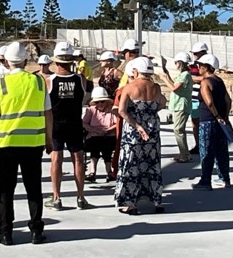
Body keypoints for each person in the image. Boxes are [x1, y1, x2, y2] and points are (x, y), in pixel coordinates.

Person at [0, 42, 52, 245]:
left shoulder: (1, 84)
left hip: (7, 144)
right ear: (25, 60)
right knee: (34, 188)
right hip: (33, 144)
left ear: (6, 62)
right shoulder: (39, 82)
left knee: (6, 189)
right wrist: (49, 140)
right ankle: (36, 231)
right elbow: (48, 114)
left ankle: (6, 232)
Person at [115, 57, 166, 214]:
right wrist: (149, 113)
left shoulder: (129, 88)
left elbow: (121, 111)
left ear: (136, 71)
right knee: (152, 164)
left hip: (133, 132)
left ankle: (129, 203)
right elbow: (163, 103)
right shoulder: (156, 87)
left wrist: (137, 124)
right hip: (152, 130)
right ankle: (156, 200)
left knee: (130, 166)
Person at [47, 41, 93, 210]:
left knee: (56, 159)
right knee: (78, 159)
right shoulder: (81, 79)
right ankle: (81, 197)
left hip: (56, 124)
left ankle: (56, 197)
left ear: (56, 61)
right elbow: (87, 97)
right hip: (74, 123)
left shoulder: (49, 81)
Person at [194, 53, 232, 189]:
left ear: (206, 67)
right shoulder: (219, 81)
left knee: (206, 152)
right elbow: (228, 100)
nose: (198, 67)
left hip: (208, 121)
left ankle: (205, 181)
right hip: (220, 122)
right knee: (221, 151)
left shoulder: (205, 82)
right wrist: (224, 117)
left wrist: (217, 116)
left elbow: (209, 102)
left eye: (200, 65)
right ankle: (224, 178)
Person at [160, 51, 194, 162]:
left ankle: (185, 155)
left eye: (176, 62)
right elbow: (175, 84)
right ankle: (183, 152)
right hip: (178, 105)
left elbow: (175, 88)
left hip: (181, 106)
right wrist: (167, 74)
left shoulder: (185, 75)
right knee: (179, 130)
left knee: (178, 130)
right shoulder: (184, 75)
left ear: (180, 63)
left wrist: (164, 79)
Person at [83, 85, 119, 182]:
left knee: (106, 146)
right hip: (94, 136)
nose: (100, 104)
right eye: (97, 102)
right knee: (95, 145)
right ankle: (92, 172)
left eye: (102, 101)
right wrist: (94, 130)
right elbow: (83, 123)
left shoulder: (111, 110)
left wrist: (108, 130)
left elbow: (117, 123)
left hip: (109, 135)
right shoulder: (91, 110)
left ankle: (109, 172)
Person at [187, 41, 208, 154]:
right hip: (194, 97)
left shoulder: (208, 64)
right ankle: (198, 145)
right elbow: (192, 78)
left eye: (197, 53)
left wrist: (199, 78)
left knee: (205, 123)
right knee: (195, 123)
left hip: (204, 97)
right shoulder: (193, 65)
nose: (195, 55)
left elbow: (205, 78)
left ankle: (205, 145)